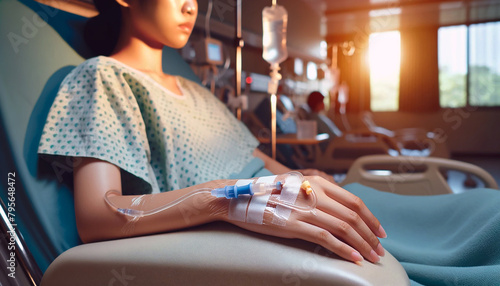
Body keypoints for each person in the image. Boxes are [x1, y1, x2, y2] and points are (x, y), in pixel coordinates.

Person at [37, 0, 385, 265]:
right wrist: (225, 198)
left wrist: (305, 177)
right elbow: (98, 217)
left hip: (287, 200)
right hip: (247, 226)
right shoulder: (103, 77)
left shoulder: (197, 91)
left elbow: (257, 158)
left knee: (409, 226)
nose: (191, 7)